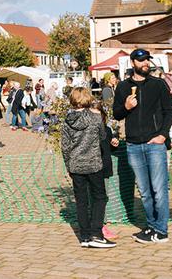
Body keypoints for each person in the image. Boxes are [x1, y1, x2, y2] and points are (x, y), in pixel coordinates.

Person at [112, 48, 172, 243]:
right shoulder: (122, 87)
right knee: (145, 191)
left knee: (158, 189)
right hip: (133, 145)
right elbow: (116, 114)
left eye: (147, 60)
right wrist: (126, 107)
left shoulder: (158, 84)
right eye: (141, 60)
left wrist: (163, 135)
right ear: (133, 63)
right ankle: (151, 226)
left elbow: (169, 111)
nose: (145, 63)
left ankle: (161, 230)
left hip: (154, 143)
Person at [61, 87, 117, 248]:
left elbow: (65, 146)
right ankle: (96, 233)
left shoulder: (67, 121)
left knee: (81, 201)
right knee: (99, 198)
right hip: (93, 164)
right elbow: (102, 136)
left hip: (76, 165)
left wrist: (68, 165)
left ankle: (84, 236)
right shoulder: (95, 118)